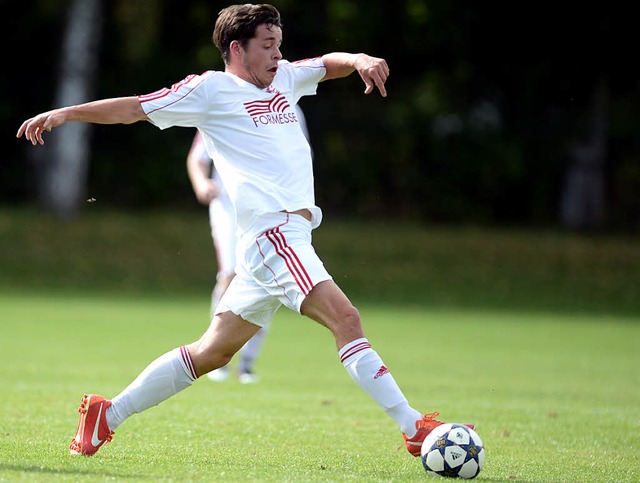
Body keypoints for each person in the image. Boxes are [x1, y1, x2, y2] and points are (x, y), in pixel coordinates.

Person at [17, 3, 474, 458]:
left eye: (280, 45)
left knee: (211, 353)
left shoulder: (285, 79)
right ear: (237, 49)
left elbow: (327, 65)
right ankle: (413, 426)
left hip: (275, 242)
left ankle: (106, 414)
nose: (278, 55)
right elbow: (134, 109)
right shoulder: (210, 91)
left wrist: (358, 60)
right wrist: (66, 114)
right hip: (274, 236)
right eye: (268, 46)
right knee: (346, 320)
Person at [186, 129, 265, 384]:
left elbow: (300, 155)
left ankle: (247, 363)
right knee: (229, 275)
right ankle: (215, 354)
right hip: (227, 207)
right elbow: (197, 158)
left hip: (266, 207)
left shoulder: (290, 104)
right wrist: (201, 183)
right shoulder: (220, 98)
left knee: (265, 279)